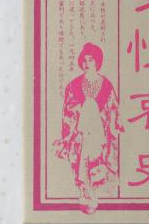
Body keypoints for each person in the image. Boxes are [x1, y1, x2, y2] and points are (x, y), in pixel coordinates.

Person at [53, 42, 124, 214]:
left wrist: (112, 125)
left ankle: (94, 193)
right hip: (81, 132)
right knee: (82, 161)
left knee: (97, 160)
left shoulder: (106, 85)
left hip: (100, 132)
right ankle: (84, 192)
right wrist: (76, 121)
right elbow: (68, 109)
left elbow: (113, 108)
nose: (87, 64)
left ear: (97, 61)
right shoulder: (74, 85)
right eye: (84, 60)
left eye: (91, 60)